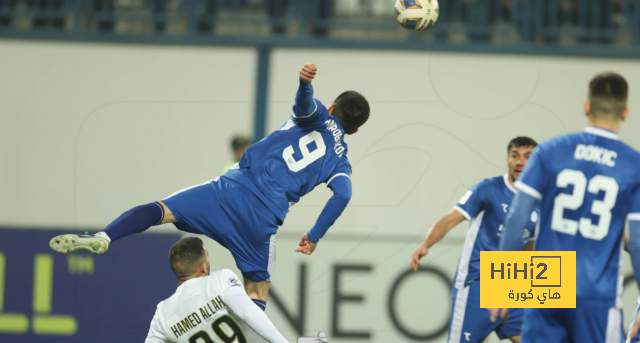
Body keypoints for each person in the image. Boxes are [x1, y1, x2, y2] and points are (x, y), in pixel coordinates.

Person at [49, 62, 370, 313]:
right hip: (262, 220)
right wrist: (313, 236)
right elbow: (343, 194)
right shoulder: (341, 162)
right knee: (256, 294)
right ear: (354, 131)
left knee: (161, 210)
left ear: (330, 108)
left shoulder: (317, 116)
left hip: (228, 192)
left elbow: (304, 108)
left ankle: (105, 237)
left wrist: (304, 84)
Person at [497, 72, 640, 343]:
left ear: (587, 107)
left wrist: (504, 288)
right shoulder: (633, 165)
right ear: (626, 113)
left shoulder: (551, 151)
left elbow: (517, 218)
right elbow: (637, 244)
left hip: (547, 285)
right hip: (598, 291)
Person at [410, 136, 539, 343]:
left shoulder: (537, 201)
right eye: (515, 156)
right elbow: (449, 220)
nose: (520, 162)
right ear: (507, 159)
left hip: (513, 285)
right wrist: (425, 245)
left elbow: (529, 245)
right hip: (477, 283)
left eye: (527, 157)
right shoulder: (488, 189)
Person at [145, 237, 288, 343]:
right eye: (206, 254)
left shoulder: (162, 314)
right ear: (203, 267)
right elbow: (247, 312)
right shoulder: (220, 279)